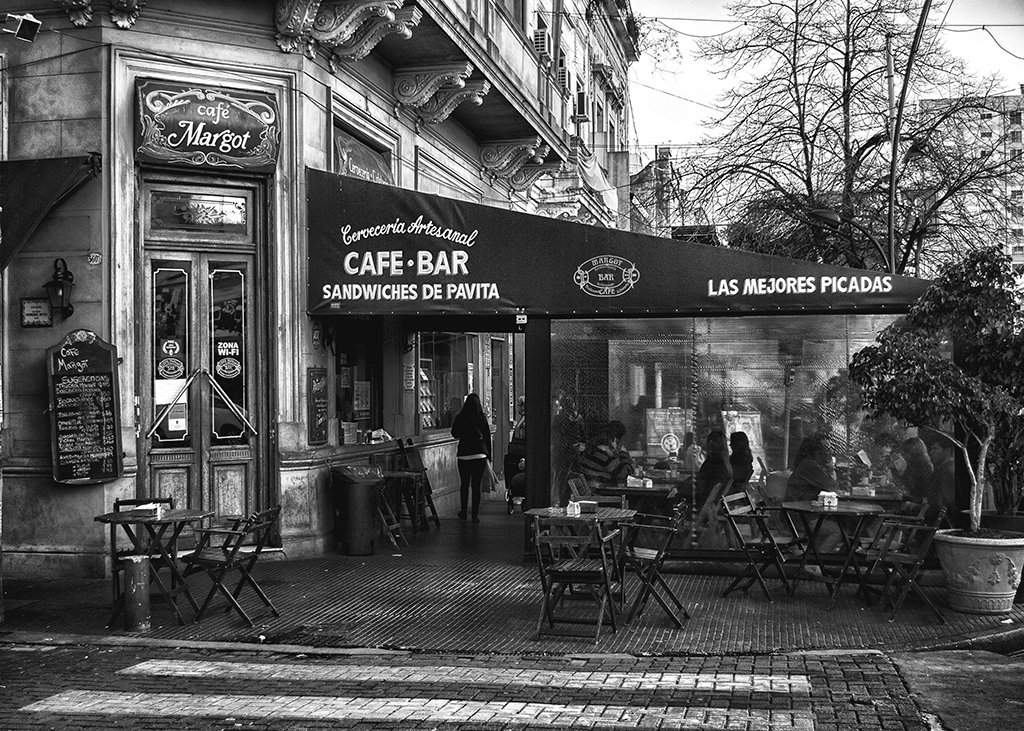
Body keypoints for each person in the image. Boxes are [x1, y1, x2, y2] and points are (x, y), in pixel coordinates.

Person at [450, 393, 491, 523]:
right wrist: (488, 455)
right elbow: (487, 438)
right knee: (476, 486)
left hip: (464, 455)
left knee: (464, 485)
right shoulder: (481, 418)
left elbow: (454, 434)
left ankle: (463, 511)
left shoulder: (460, 417)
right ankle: (475, 515)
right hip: (479, 455)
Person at [551, 395, 586, 504]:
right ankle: (566, 500)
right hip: (566, 452)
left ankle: (566, 500)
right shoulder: (572, 419)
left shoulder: (561, 419)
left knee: (566, 478)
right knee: (565, 478)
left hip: (567, 452)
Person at [786, 436, 837, 502]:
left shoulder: (814, 464)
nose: (831, 452)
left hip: (802, 506)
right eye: (827, 449)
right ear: (817, 452)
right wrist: (831, 470)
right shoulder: (809, 465)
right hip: (796, 508)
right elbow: (831, 488)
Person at [695, 430, 731, 510]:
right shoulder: (725, 460)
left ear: (711, 443)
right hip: (714, 501)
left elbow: (701, 484)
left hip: (704, 502)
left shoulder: (713, 462)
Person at [925, 432, 957, 522]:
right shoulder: (942, 469)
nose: (931, 453)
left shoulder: (948, 472)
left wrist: (916, 507)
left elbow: (943, 507)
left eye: (935, 449)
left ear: (947, 451)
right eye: (931, 449)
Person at [894, 436, 933, 500]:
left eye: (906, 452)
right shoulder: (912, 465)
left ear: (914, 452)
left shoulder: (923, 468)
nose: (904, 456)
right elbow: (905, 483)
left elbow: (911, 489)